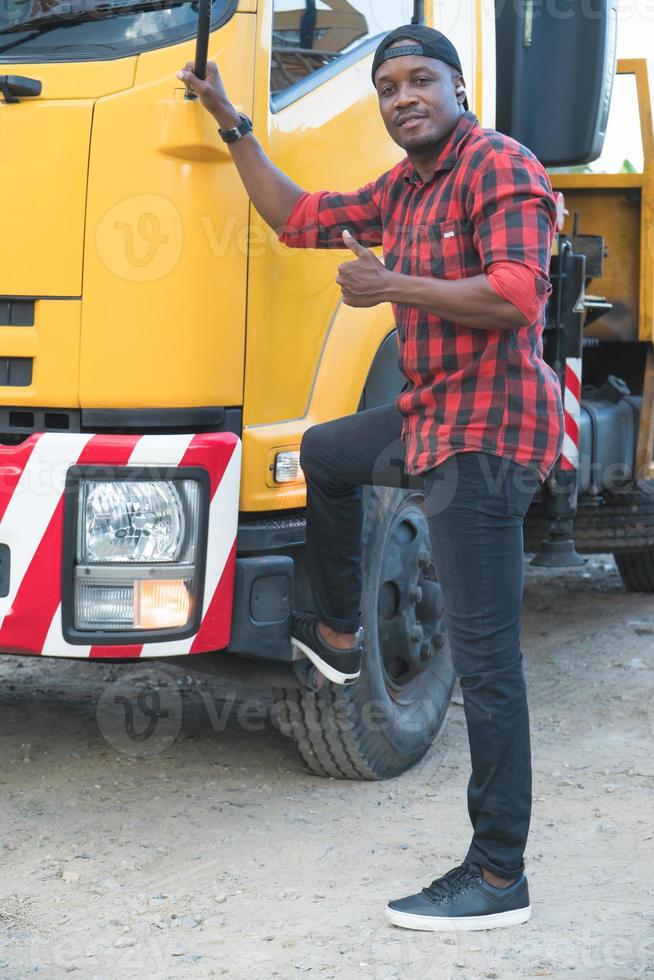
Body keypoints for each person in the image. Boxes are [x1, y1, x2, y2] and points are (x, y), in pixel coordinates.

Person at [177, 23, 564, 933]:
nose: (401, 98)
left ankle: (500, 874)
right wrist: (233, 122)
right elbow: (295, 216)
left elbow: (516, 295)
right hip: (430, 417)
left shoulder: (498, 167)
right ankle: (341, 632)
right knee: (324, 453)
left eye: (419, 79)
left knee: (487, 663)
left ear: (458, 87)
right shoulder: (407, 185)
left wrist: (394, 286)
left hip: (487, 438)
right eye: (386, 86)